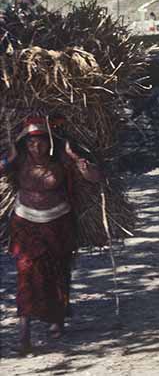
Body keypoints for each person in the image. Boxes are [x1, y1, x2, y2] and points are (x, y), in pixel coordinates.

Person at [1, 115, 104, 355]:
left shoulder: (61, 160)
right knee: (26, 272)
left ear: (50, 142)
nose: (35, 147)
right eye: (30, 142)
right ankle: (24, 332)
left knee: (59, 270)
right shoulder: (20, 160)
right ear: (24, 144)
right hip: (25, 223)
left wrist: (75, 157)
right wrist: (10, 158)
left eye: (40, 142)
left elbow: (96, 177)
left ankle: (57, 318)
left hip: (58, 223)